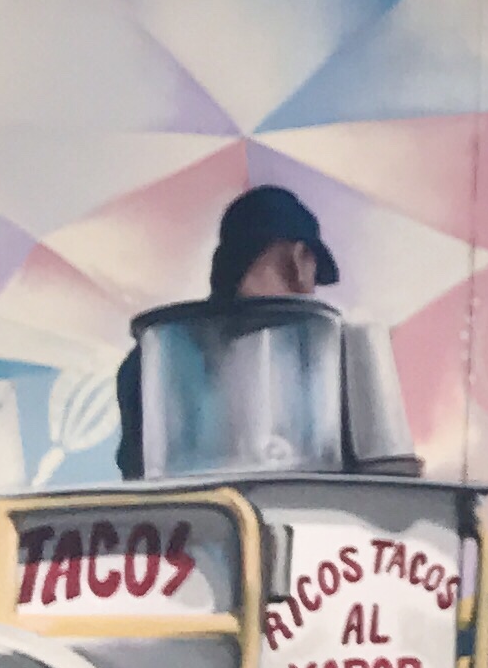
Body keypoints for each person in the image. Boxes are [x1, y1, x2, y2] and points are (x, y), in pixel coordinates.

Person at [112, 183, 338, 482]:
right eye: (314, 271)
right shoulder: (316, 359)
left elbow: (136, 473)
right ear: (300, 258)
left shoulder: (151, 360)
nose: (312, 289)